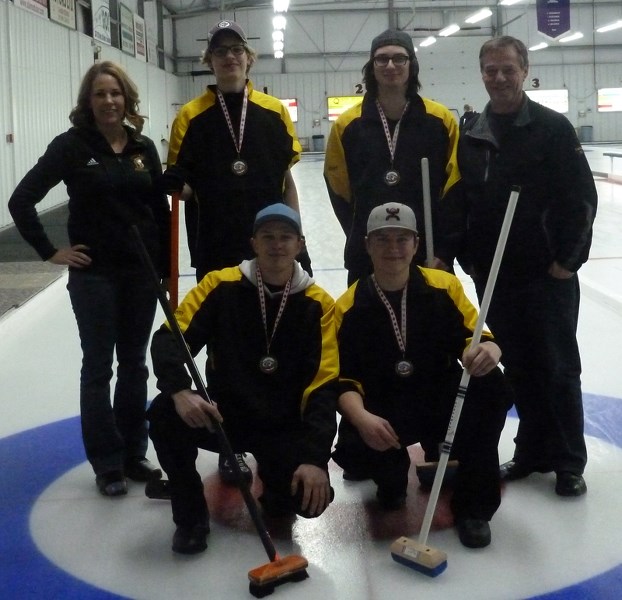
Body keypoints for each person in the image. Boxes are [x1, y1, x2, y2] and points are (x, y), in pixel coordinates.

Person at [439, 36, 597, 497]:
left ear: (524, 70)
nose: (499, 77)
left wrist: (568, 261)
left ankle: (568, 461)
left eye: (508, 68)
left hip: (548, 274)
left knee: (559, 366)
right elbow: (463, 203)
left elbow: (581, 199)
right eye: (491, 69)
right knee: (520, 366)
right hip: (496, 277)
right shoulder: (473, 134)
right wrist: (471, 261)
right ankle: (532, 451)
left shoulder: (552, 128)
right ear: (482, 73)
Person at [8, 61, 170, 496]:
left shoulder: (143, 147)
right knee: (99, 367)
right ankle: (107, 463)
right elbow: (21, 200)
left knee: (135, 364)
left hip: (141, 275)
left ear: (127, 99)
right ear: (88, 102)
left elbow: (160, 211)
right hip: (95, 276)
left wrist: (166, 272)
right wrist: (51, 251)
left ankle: (135, 452)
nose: (109, 101)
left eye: (115, 93)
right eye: (100, 94)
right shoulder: (71, 146)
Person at [147, 203, 338, 554]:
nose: (276, 244)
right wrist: (179, 390)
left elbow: (322, 386)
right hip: (225, 416)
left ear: (300, 244)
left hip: (282, 424)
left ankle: (275, 482)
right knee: (164, 414)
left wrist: (314, 458)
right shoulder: (219, 285)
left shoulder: (319, 304)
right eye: (268, 236)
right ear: (254, 242)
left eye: (285, 237)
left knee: (307, 502)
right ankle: (190, 518)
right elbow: (170, 338)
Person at [332, 202, 509, 548]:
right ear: (367, 245)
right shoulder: (348, 306)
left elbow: (476, 337)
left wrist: (489, 350)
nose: (393, 249)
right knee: (358, 448)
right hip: (382, 408)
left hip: (437, 397)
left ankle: (473, 507)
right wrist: (363, 418)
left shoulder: (443, 287)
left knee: (490, 386)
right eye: (383, 240)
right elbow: (343, 380)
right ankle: (390, 476)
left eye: (402, 239)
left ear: (415, 244)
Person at [164, 18, 305, 283]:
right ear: (210, 60)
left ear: (248, 57)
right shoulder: (190, 116)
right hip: (214, 243)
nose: (229, 56)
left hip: (271, 242)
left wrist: (297, 233)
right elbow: (187, 190)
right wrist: (173, 185)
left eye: (236, 49)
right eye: (220, 51)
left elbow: (286, 183)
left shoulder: (275, 112)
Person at [324, 28, 460, 286]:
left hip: (428, 255)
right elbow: (339, 192)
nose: (390, 65)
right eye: (381, 58)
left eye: (399, 58)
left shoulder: (440, 121)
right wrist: (360, 239)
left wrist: (444, 250)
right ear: (371, 66)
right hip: (368, 255)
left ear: (412, 65)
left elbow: (453, 190)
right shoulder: (347, 125)